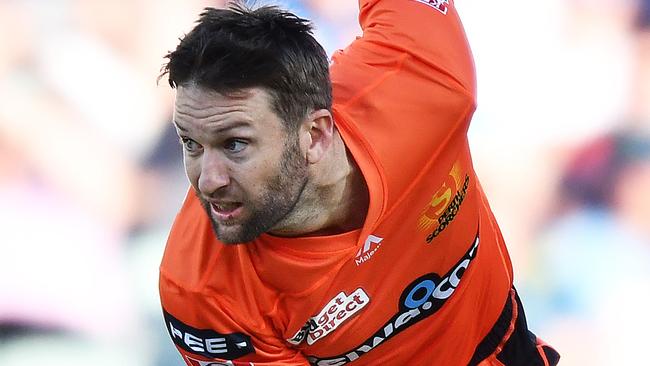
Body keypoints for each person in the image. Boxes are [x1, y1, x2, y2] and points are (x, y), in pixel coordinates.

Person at [158, 1, 559, 365]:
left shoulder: (421, 74)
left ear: (314, 134)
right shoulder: (201, 290)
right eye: (190, 143)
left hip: (507, 347)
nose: (207, 180)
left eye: (235, 144)